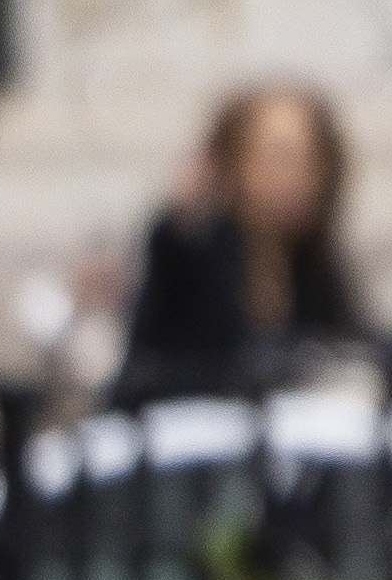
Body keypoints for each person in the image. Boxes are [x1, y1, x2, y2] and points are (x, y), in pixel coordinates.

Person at [111, 83, 374, 405]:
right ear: (231, 163)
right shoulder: (191, 255)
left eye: (313, 158)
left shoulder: (318, 269)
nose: (298, 176)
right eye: (279, 157)